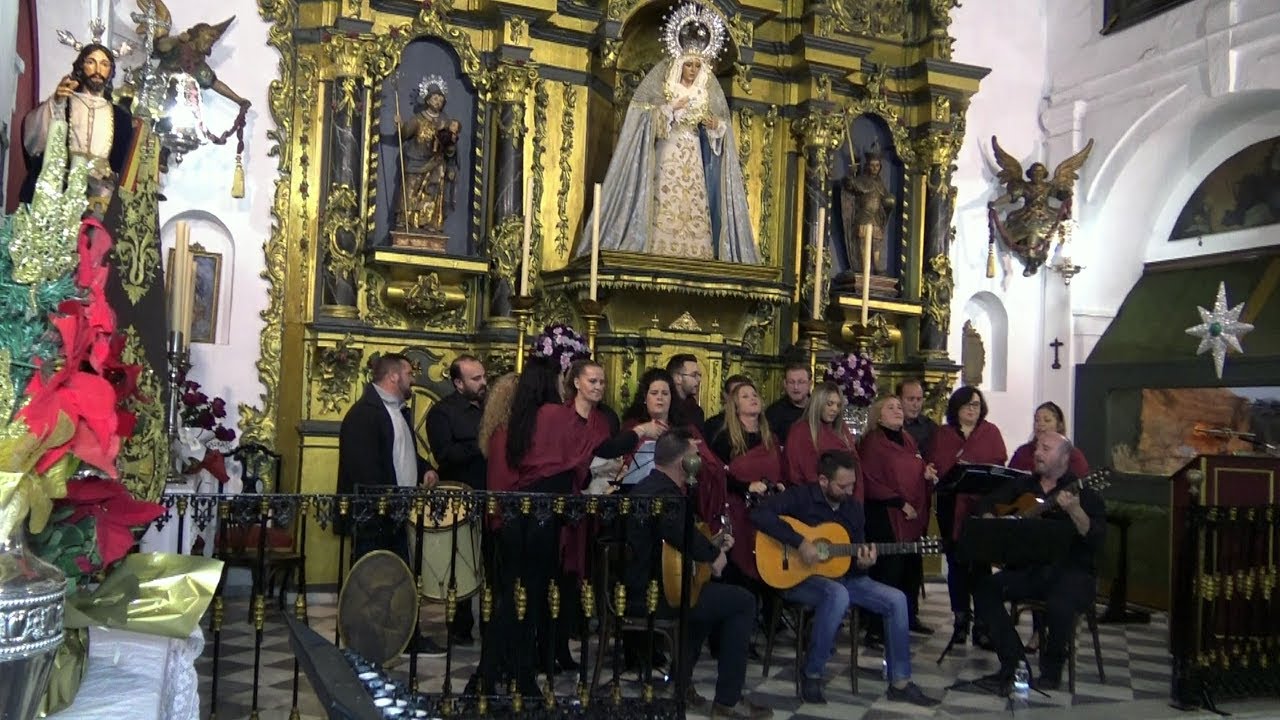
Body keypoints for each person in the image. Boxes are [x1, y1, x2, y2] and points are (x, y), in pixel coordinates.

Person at [751, 451, 939, 707]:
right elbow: (760, 514)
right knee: (837, 595)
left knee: (896, 599)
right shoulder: (800, 497)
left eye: (852, 484)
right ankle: (812, 673)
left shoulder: (853, 508)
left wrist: (864, 562)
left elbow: (855, 552)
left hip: (845, 577)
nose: (849, 490)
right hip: (797, 578)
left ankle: (900, 682)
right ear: (823, 481)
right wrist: (799, 541)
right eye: (843, 485)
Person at [577, 4, 757, 262]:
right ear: (679, 64)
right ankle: (659, 250)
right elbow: (646, 121)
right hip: (669, 151)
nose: (693, 70)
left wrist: (716, 127)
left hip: (692, 153)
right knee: (665, 195)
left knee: (693, 201)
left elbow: (721, 129)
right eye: (689, 65)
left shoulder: (704, 94)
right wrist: (669, 110)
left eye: (697, 65)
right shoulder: (666, 89)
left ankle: (694, 255)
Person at [626, 429, 772, 719]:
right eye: (694, 456)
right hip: (656, 595)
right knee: (742, 601)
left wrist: (712, 543)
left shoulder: (646, 487)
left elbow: (670, 543)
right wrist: (713, 554)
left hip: (647, 587)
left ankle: (681, 686)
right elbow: (678, 533)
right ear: (684, 463)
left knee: (706, 600)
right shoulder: (666, 496)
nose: (699, 462)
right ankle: (727, 700)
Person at [972, 432, 1106, 694]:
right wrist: (991, 518)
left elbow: (1096, 539)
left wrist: (1075, 511)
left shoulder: (1084, 493)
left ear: (1065, 458)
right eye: (1037, 448)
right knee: (984, 588)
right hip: (1030, 570)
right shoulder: (1024, 485)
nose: (1038, 453)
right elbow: (986, 503)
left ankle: (1052, 671)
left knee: (1060, 602)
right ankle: (1014, 661)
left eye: (1046, 448)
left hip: (1072, 573)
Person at [335, 353, 444, 656]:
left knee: (399, 579)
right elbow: (365, 469)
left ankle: (404, 635)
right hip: (375, 515)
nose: (413, 379)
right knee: (373, 582)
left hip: (396, 512)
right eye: (409, 373)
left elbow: (402, 453)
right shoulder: (363, 414)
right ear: (394, 376)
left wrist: (425, 469)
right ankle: (368, 638)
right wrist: (388, 503)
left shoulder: (397, 412)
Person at [926, 386, 1007, 648]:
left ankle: (983, 625)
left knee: (981, 566)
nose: (973, 409)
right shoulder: (944, 434)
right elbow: (938, 464)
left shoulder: (990, 432)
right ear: (956, 409)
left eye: (976, 404)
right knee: (957, 564)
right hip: (951, 506)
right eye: (967, 405)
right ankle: (961, 620)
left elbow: (998, 466)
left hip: (981, 507)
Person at [20, 43, 136, 213]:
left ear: (110, 71)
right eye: (91, 62)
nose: (98, 69)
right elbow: (34, 139)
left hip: (100, 198)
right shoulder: (65, 101)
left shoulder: (121, 117)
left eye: (104, 64)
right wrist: (56, 103)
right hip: (62, 188)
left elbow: (125, 163)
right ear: (81, 66)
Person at [859, 396, 937, 637]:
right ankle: (876, 628)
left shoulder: (908, 440)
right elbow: (870, 479)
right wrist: (899, 502)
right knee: (888, 570)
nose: (897, 411)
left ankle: (908, 616)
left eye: (899, 408)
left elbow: (914, 467)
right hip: (885, 513)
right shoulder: (873, 442)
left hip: (911, 515)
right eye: (890, 408)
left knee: (911, 567)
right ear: (878, 415)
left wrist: (926, 472)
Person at [425, 355, 488, 645]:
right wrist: (480, 445)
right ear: (458, 382)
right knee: (460, 562)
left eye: (483, 377)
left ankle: (491, 620)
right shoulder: (442, 413)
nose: (483, 383)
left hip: (491, 492)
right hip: (460, 494)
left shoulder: (491, 407)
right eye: (476, 379)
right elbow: (445, 454)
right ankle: (459, 625)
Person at [710, 379, 785, 586]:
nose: (753, 399)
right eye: (745, 396)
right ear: (735, 407)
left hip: (768, 512)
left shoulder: (771, 438)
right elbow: (717, 476)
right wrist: (746, 487)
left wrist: (779, 485)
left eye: (754, 395)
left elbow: (779, 471)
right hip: (738, 513)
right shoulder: (725, 440)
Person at [392, 77, 459, 235]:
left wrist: (451, 145)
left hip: (435, 163)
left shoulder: (445, 121)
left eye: (441, 99)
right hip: (415, 161)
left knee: (432, 194)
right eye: (435, 98)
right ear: (428, 99)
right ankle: (406, 220)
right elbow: (405, 134)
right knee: (410, 190)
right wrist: (400, 125)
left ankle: (430, 222)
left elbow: (450, 148)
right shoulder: (418, 119)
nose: (438, 102)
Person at [782, 381, 859, 499]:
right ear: (818, 403)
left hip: (846, 499)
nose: (835, 409)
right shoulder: (801, 431)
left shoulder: (841, 429)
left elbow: (855, 464)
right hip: (812, 500)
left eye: (838, 405)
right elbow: (797, 473)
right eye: (830, 404)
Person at [1009, 401, 1089, 477]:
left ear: (1059, 425)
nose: (1040, 424)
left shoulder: (1073, 456)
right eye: (1037, 420)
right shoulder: (1023, 452)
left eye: (1047, 420)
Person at [704, 373, 752, 443]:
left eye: (745, 395)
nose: (739, 397)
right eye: (735, 393)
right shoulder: (714, 425)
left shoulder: (760, 425)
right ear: (726, 396)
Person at [765, 363, 810, 438]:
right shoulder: (774, 412)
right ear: (785, 384)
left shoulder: (819, 408)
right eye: (791, 382)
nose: (796, 387)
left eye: (801, 382)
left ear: (809, 384)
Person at [665, 353, 706, 432]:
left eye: (699, 375)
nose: (699, 379)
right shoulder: (665, 407)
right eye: (694, 375)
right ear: (678, 378)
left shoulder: (697, 411)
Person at [896, 379, 937, 453]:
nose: (916, 405)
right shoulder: (889, 425)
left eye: (919, 399)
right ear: (899, 400)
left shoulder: (930, 426)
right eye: (911, 399)